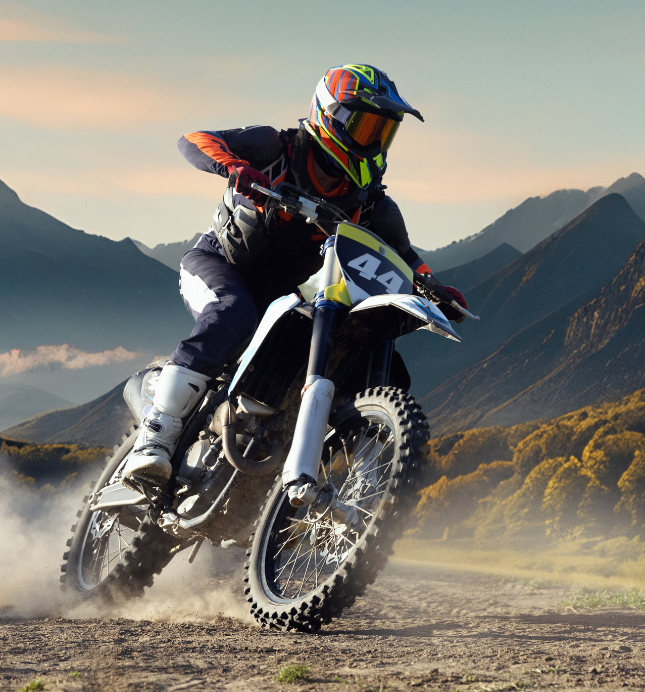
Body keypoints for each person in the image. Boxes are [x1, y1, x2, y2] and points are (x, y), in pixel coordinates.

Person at [120, 64, 470, 490]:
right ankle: (156, 435)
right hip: (220, 266)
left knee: (371, 358)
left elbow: (405, 257)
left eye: (383, 131)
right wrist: (233, 166)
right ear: (332, 116)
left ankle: (349, 479)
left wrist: (435, 287)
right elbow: (193, 140)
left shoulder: (372, 204)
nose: (375, 142)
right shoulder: (275, 147)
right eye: (366, 127)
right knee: (231, 313)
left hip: (282, 296)